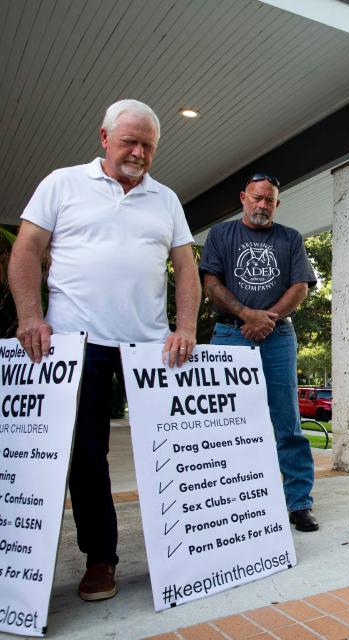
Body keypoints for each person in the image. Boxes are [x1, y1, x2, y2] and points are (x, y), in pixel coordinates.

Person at [9, 99, 201, 601]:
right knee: (87, 455)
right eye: (129, 142)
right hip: (78, 343)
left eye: (148, 146)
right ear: (103, 138)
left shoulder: (166, 199)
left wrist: (185, 327)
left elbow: (185, 268)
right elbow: (26, 249)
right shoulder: (61, 183)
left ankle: (189, 552)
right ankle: (100, 558)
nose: (138, 152)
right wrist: (31, 316)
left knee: (170, 450)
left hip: (152, 348)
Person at [199, 172, 319, 533]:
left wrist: (266, 319)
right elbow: (210, 283)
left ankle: (299, 503)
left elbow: (301, 287)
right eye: (256, 198)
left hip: (278, 336)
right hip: (230, 334)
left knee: (288, 421)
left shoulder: (290, 238)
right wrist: (245, 315)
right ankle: (234, 498)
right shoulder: (221, 235)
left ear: (277, 204)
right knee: (228, 422)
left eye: (269, 200)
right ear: (243, 198)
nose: (262, 205)